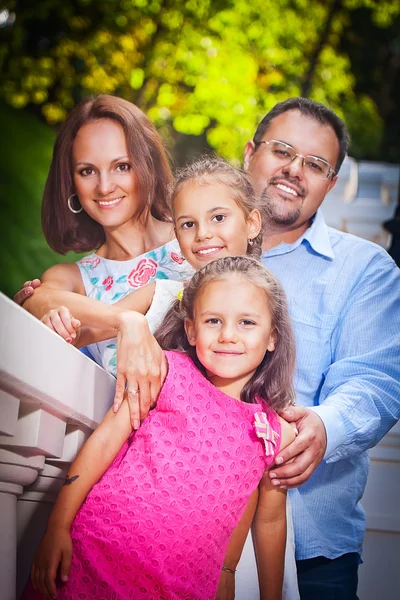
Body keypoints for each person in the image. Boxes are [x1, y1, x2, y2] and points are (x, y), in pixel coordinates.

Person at [23, 256, 297, 600]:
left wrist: (233, 574)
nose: (228, 335)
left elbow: (263, 518)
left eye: (246, 322)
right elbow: (104, 442)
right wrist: (57, 527)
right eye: (213, 320)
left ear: (272, 337)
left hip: (180, 589)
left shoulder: (274, 433)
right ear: (191, 329)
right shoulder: (163, 371)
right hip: (92, 558)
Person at [242, 97, 400, 598]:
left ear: (331, 184)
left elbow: (375, 382)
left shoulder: (366, 270)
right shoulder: (195, 244)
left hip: (310, 548)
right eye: (282, 151)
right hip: (180, 531)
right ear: (250, 153)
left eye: (315, 164)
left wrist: (326, 427)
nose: (294, 170)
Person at [16, 93, 194, 427]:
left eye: (122, 166)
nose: (105, 186)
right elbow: (39, 300)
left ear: (147, 166)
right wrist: (127, 321)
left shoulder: (194, 242)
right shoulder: (73, 277)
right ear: (71, 183)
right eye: (87, 171)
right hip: (119, 453)